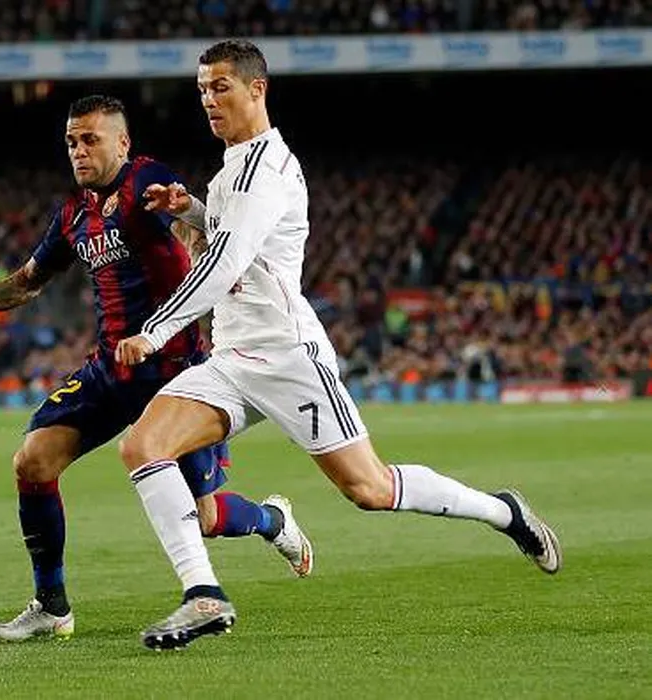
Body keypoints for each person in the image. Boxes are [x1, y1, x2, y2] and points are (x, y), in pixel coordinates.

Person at [114, 40, 563, 650]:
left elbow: (225, 262)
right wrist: (192, 209)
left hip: (288, 357)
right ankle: (204, 595)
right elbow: (235, 239)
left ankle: (503, 511)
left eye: (220, 87)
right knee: (143, 446)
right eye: (201, 91)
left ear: (257, 89)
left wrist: (156, 329)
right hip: (233, 358)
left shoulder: (262, 169)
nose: (209, 101)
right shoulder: (231, 173)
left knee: (370, 490)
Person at [0, 94, 313, 643]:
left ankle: (272, 521)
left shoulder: (147, 181)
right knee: (33, 461)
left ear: (122, 143)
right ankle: (51, 606)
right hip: (110, 369)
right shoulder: (73, 214)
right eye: (71, 141)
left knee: (205, 517)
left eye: (90, 140)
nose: (78, 150)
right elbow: (28, 281)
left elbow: (200, 229)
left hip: (176, 371)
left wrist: (186, 222)